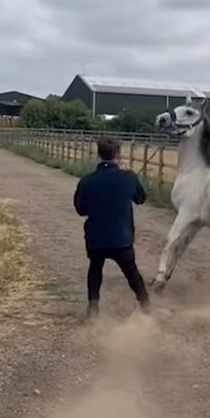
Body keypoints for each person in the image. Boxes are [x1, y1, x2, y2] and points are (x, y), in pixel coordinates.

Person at [73, 136, 151, 317]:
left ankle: (93, 308)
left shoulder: (86, 181)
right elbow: (141, 199)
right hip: (121, 238)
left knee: (95, 269)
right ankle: (146, 305)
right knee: (131, 271)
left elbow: (80, 210)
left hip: (95, 238)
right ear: (118, 155)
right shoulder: (128, 178)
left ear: (98, 155)